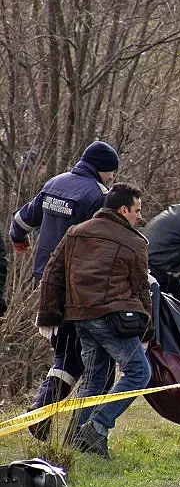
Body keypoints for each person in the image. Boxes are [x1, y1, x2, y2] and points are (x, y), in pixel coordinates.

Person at [9, 140, 120, 441]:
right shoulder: (97, 195)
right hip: (77, 285)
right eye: (112, 173)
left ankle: (45, 417)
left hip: (45, 282)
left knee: (67, 354)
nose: (112, 179)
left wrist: (19, 239)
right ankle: (48, 417)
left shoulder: (55, 183)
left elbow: (21, 220)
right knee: (75, 358)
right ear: (104, 170)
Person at [36, 183, 151, 460]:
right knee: (139, 372)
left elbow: (52, 273)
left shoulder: (76, 232)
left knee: (95, 378)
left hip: (79, 317)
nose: (140, 216)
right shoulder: (133, 241)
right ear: (123, 210)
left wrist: (49, 315)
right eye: (137, 210)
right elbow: (141, 288)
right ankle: (96, 427)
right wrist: (148, 329)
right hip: (114, 319)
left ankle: (75, 443)